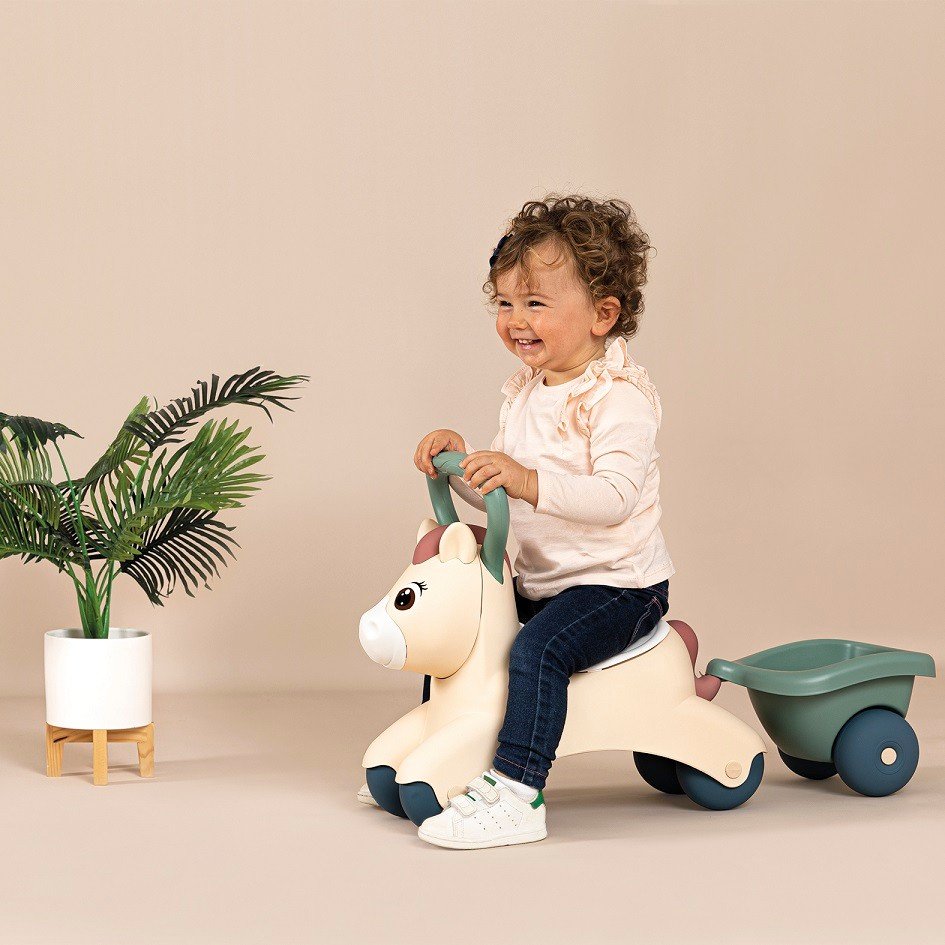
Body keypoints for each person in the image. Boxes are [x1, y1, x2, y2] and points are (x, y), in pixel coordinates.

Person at [411, 194, 674, 849]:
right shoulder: (528, 389)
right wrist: (461, 468)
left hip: (616, 587)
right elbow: (510, 500)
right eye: (503, 303)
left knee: (537, 650)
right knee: (463, 633)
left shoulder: (617, 401)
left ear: (601, 314)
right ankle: (435, 748)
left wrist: (523, 477)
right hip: (542, 580)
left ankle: (516, 789)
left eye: (534, 304)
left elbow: (612, 495)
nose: (514, 321)